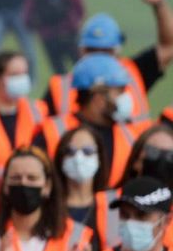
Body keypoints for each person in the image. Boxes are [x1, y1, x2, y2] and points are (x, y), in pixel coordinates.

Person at [47, 0, 173, 122]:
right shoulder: (60, 87)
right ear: (81, 51)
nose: (99, 57)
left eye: (106, 51)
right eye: (93, 50)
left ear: (117, 51)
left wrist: (159, 5)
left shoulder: (134, 71)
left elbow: (168, 46)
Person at [62, 55, 150, 188]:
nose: (126, 97)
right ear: (98, 98)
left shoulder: (130, 135)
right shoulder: (57, 131)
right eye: (119, 92)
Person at [26, 0, 86, 77]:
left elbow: (28, 13)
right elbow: (80, 9)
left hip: (47, 35)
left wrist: (37, 27)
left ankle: (64, 95)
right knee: (81, 68)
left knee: (59, 72)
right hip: (69, 33)